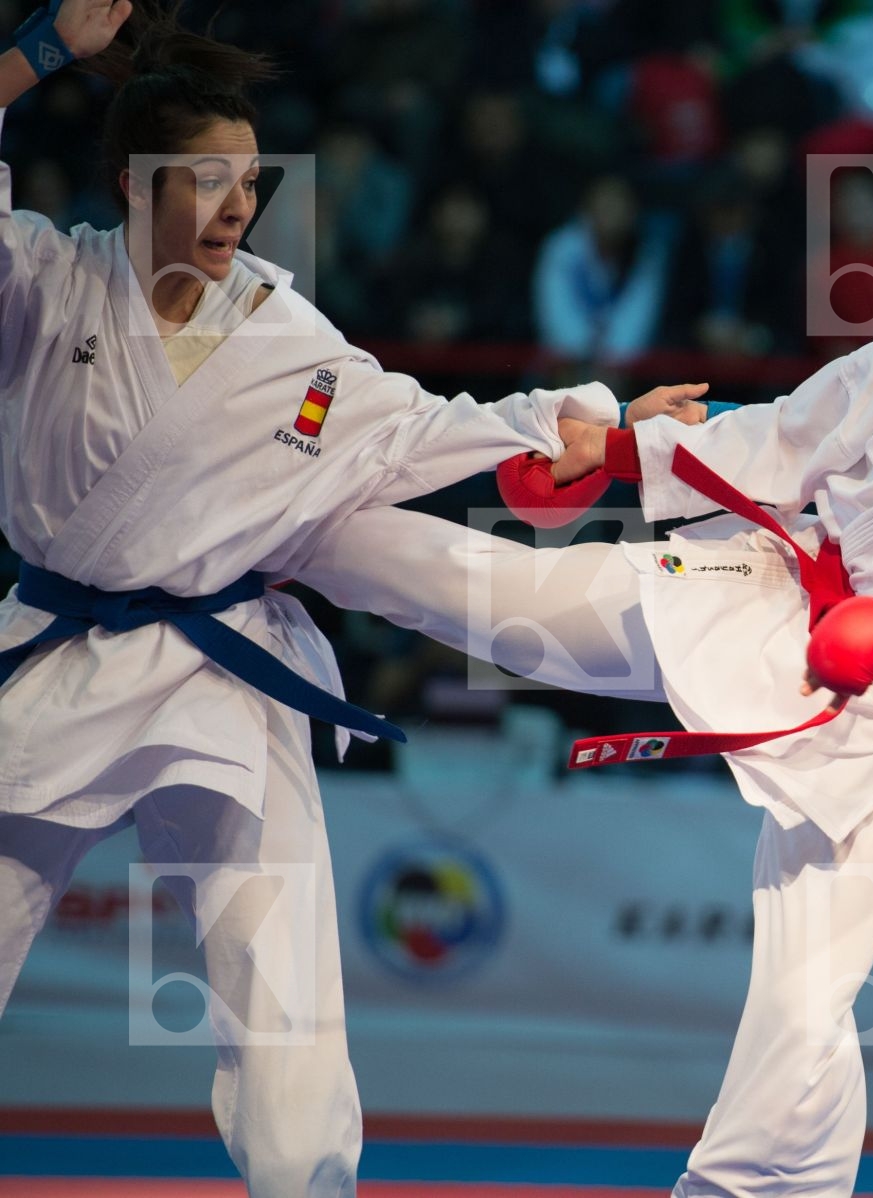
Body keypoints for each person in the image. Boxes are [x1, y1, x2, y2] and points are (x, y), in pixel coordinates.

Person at [295, 151, 873, 1196]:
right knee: (506, 602)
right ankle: (291, 530)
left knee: (801, 1010)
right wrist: (613, 455)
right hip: (761, 594)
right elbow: (781, 440)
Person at [0, 4, 697, 1193]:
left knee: (284, 1006)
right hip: (54, 659)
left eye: (250, 181)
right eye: (205, 180)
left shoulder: (285, 338)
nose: (236, 205)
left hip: (220, 667)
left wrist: (593, 422)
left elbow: (426, 428)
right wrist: (40, 51)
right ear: (131, 181)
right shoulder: (45, 282)